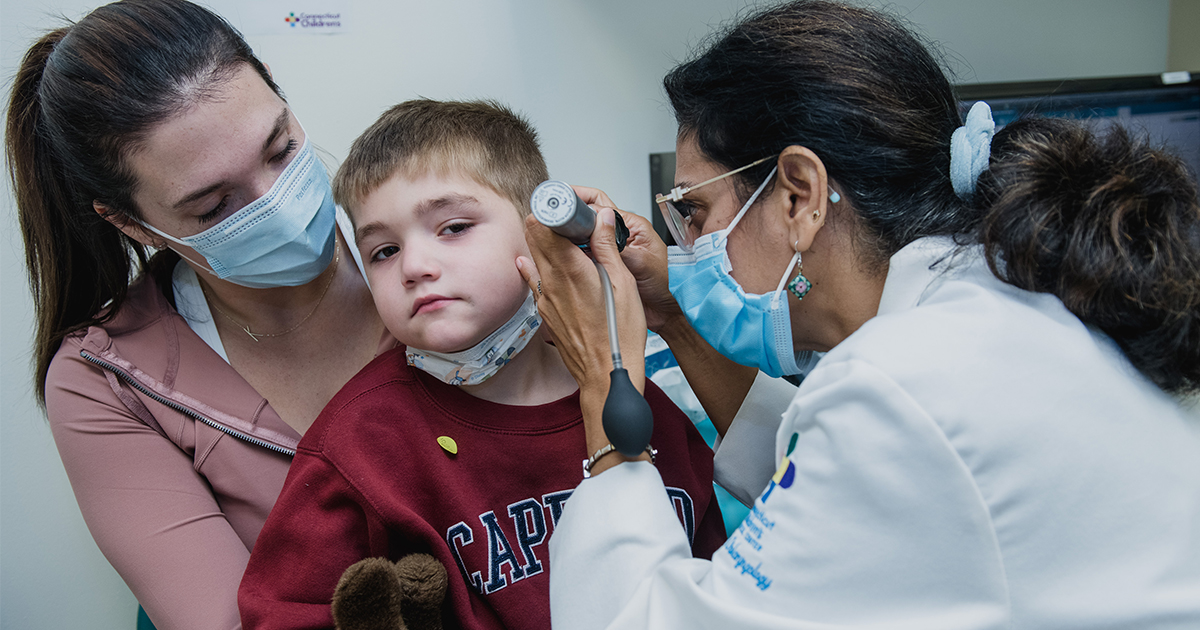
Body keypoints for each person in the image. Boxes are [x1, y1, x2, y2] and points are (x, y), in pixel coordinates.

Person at [517, 2, 1200, 628]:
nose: (686, 251)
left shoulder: (906, 388)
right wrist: (670, 313)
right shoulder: (993, 303)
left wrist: (605, 373)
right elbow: (832, 487)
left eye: (693, 214)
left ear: (799, 196)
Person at [236, 99, 725, 630]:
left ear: (543, 236)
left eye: (453, 227)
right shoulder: (358, 444)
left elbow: (721, 587)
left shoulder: (642, 406)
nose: (415, 267)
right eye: (383, 251)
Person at [6, 1, 388, 627]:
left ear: (273, 83)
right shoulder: (106, 378)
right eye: (214, 207)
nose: (278, 203)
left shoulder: (447, 249)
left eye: (281, 148)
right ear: (132, 223)